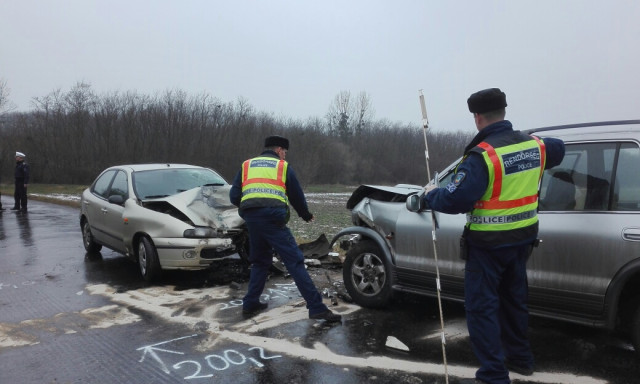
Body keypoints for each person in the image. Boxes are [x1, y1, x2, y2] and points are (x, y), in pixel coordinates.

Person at [423, 88, 565, 384]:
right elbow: (559, 148)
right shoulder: (537, 147)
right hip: (522, 241)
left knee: (482, 308)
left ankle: (494, 375)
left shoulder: (483, 156)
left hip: (487, 247)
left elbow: (454, 200)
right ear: (504, 112)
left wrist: (430, 197)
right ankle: (521, 359)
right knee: (514, 301)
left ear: (477, 118)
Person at [229, 135, 342, 322]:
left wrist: (252, 207)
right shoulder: (282, 167)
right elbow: (296, 196)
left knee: (260, 261)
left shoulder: (246, 165)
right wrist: (305, 215)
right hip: (273, 220)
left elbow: (234, 196)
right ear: (279, 150)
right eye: (285, 152)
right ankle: (316, 308)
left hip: (252, 219)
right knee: (295, 261)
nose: (285, 156)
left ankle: (250, 303)